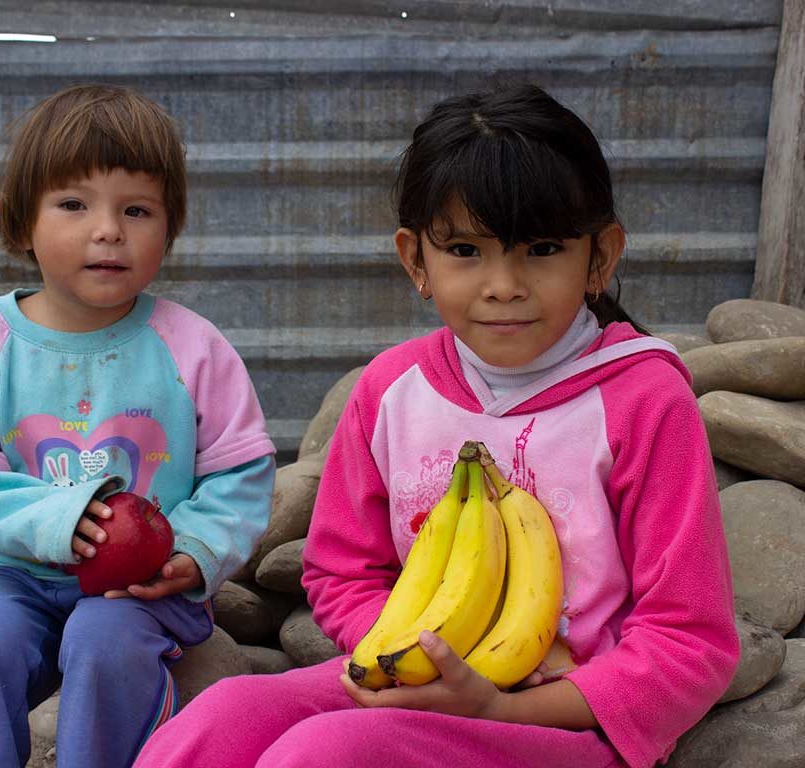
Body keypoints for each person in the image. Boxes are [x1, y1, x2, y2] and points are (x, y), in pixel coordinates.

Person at [131, 84, 739, 768]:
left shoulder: (643, 400)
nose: (503, 284)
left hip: (564, 721)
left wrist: (504, 704)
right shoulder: (392, 390)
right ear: (416, 260)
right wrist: (414, 656)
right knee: (224, 714)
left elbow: (691, 641)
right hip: (411, 685)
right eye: (465, 251)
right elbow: (343, 572)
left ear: (599, 257)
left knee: (327, 753)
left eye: (541, 249)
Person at [0, 84, 276, 768]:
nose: (108, 229)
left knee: (106, 645)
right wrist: (56, 520)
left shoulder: (192, 347)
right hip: (11, 572)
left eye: (136, 209)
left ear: (169, 228)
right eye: (74, 204)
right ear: (22, 223)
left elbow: (241, 473)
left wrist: (195, 551)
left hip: (133, 587)